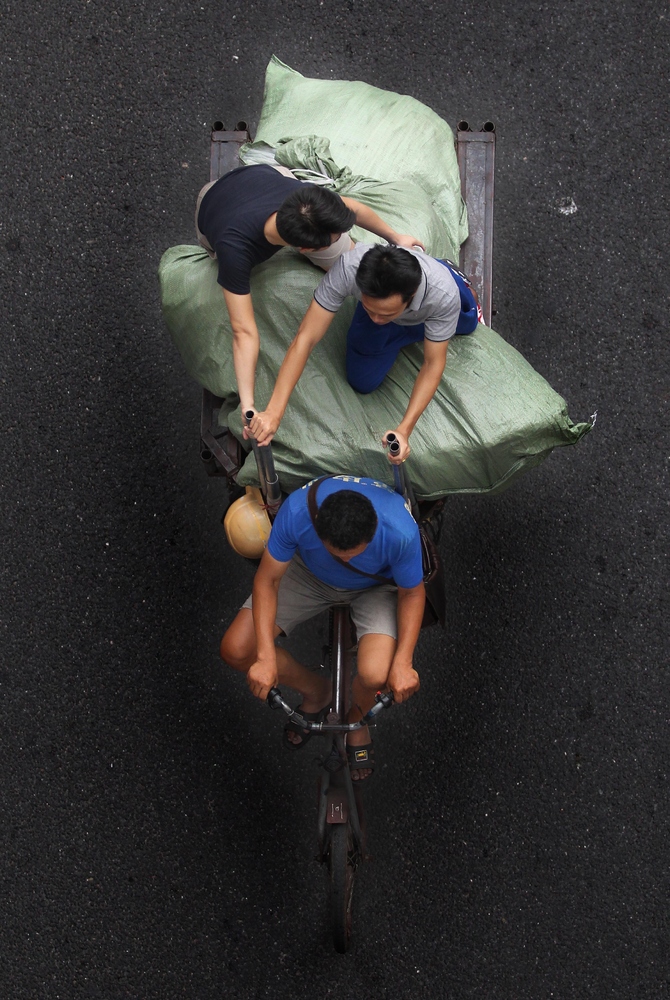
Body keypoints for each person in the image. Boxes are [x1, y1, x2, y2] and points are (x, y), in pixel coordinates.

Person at [219, 474, 425, 780]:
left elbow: (411, 592)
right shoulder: (298, 511)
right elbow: (268, 579)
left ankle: (357, 717)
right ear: (317, 527)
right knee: (236, 650)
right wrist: (264, 656)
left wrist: (404, 662)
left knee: (376, 674)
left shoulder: (400, 528)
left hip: (375, 587)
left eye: (353, 553)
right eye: (336, 552)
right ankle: (318, 690)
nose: (345, 558)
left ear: (374, 531)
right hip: (308, 575)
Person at [195, 165, 424, 429]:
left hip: (261, 176)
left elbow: (354, 209)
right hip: (212, 203)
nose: (339, 238)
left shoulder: (307, 201)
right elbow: (243, 332)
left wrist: (396, 237)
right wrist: (248, 405)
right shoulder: (235, 251)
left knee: (349, 263)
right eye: (332, 238)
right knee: (215, 248)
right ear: (304, 249)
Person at [248, 243, 483, 463]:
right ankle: (400, 328)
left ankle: (455, 278)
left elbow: (433, 364)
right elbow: (305, 338)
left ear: (410, 296)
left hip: (435, 305)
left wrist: (404, 430)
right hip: (406, 314)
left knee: (467, 322)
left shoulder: (442, 295)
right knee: (362, 380)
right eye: (371, 309)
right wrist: (274, 412)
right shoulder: (349, 268)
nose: (377, 319)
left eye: (385, 313)